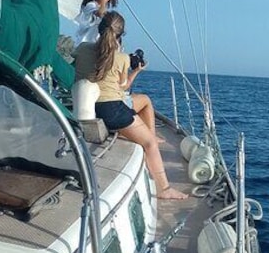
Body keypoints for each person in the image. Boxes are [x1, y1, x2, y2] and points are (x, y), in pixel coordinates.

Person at [73, 11, 187, 200]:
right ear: (120, 34)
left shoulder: (83, 49)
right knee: (149, 143)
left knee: (142, 109)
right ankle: (164, 189)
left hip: (87, 105)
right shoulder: (122, 58)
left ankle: (149, 138)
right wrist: (137, 71)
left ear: (100, 29)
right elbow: (123, 86)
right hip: (111, 110)